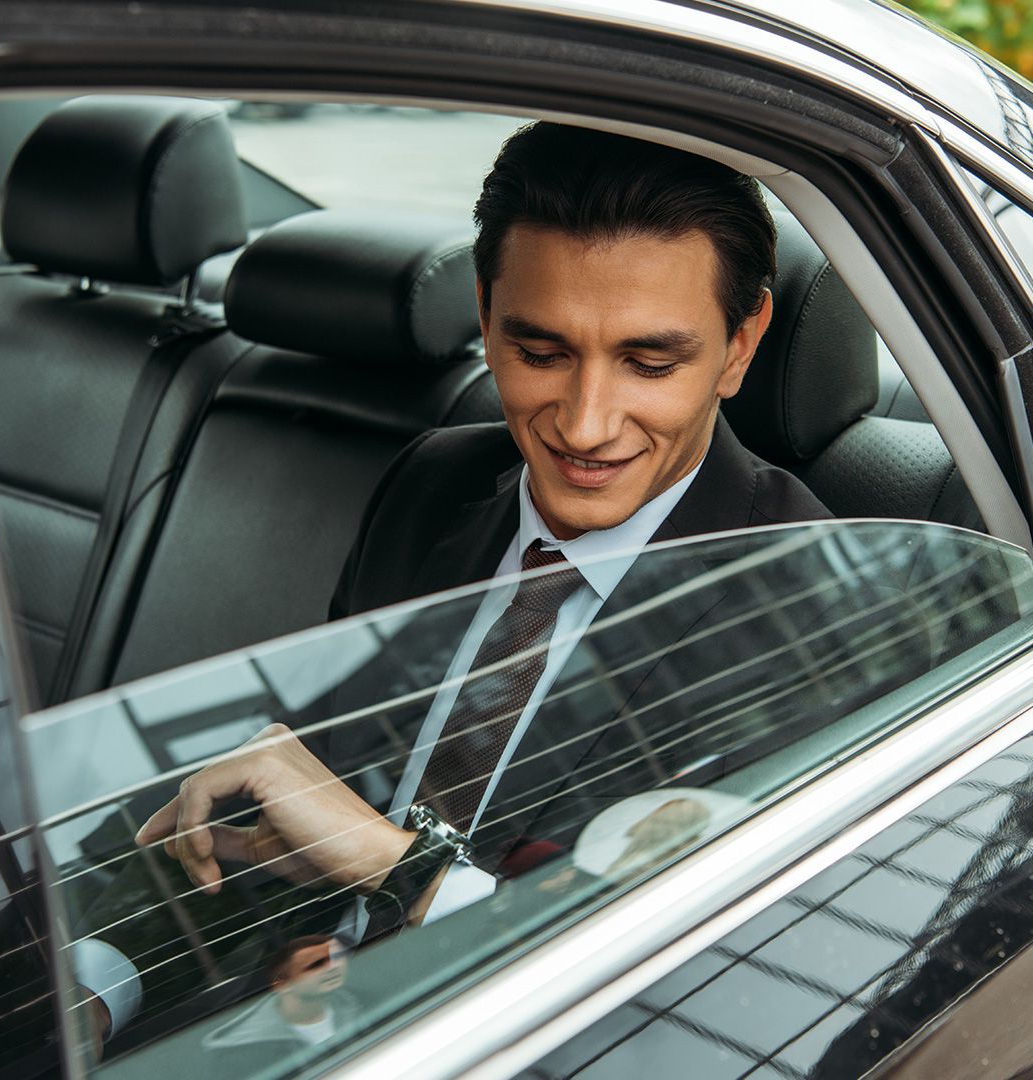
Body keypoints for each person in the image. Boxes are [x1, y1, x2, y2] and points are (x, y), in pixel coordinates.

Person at [88, 123, 933, 1040]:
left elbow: (696, 999)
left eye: (650, 363)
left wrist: (398, 869)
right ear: (487, 314)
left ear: (740, 344)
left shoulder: (826, 608)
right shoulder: (432, 486)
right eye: (540, 353)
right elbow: (312, 792)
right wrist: (94, 986)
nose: (585, 424)